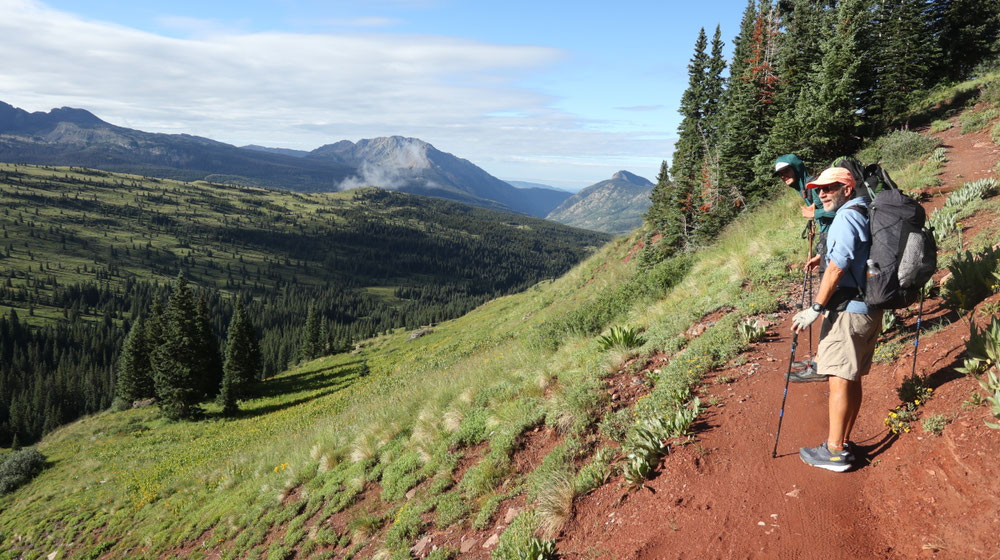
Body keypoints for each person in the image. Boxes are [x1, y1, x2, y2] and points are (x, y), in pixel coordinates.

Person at [790, 167, 879, 472]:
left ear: (848, 189)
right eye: (819, 189)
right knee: (851, 377)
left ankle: (834, 451)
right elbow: (854, 252)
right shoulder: (864, 209)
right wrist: (823, 256)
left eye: (830, 188)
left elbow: (838, 267)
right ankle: (842, 441)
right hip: (868, 308)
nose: (822, 193)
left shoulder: (845, 216)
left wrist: (815, 308)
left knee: (838, 380)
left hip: (848, 312)